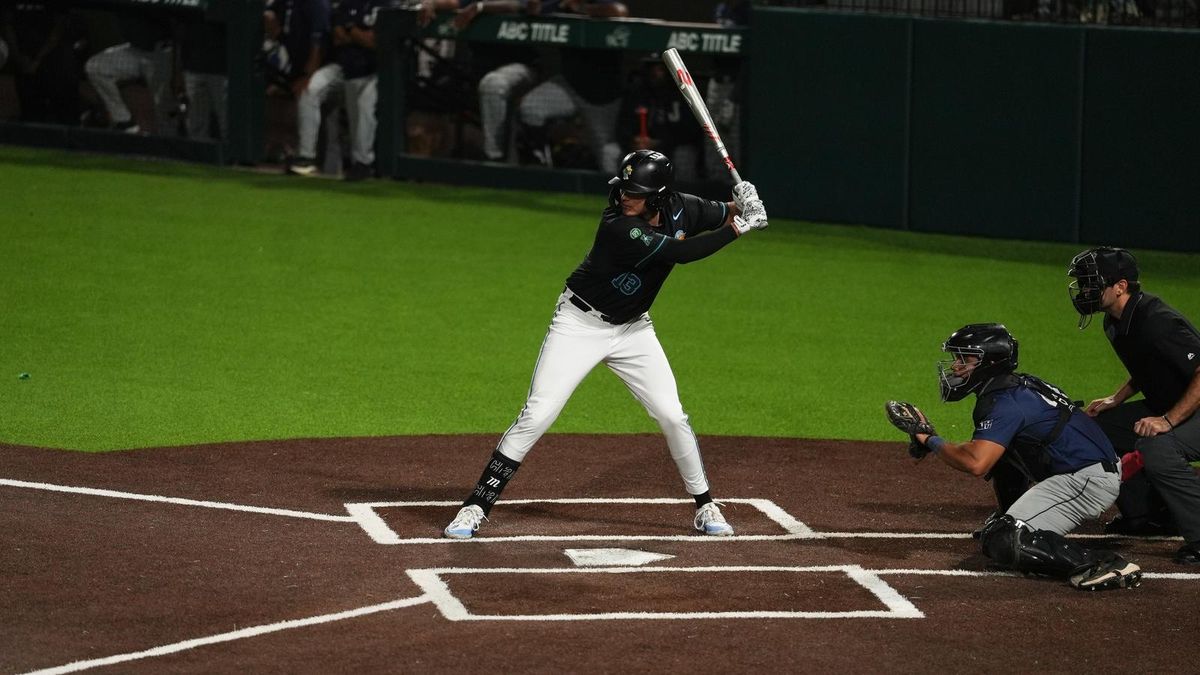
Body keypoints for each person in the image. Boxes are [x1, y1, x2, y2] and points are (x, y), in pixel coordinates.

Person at [443, 149, 768, 539]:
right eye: (624, 189)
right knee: (538, 414)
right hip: (579, 324)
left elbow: (723, 211)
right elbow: (681, 253)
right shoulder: (619, 225)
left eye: (635, 192)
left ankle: (705, 505)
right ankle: (475, 506)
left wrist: (742, 202)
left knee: (672, 415)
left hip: (634, 330)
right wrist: (740, 227)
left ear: (659, 197)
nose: (624, 196)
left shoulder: (685, 208)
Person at [886, 323, 1141, 591]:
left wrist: (930, 439)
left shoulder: (1006, 402)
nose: (956, 367)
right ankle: (1012, 519)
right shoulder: (1017, 386)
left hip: (1086, 480)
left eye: (965, 359)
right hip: (1084, 467)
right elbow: (993, 452)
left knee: (1003, 539)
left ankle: (1099, 564)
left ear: (990, 363)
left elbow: (975, 462)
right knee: (1002, 454)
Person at [1067, 246, 1200, 565]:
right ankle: (1148, 516)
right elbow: (1149, 365)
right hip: (1174, 406)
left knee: (1157, 447)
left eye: (1092, 283)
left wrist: (1167, 420)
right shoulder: (1114, 322)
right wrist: (1117, 398)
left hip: (1191, 408)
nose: (1085, 291)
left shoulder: (1157, 321)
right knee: (1094, 430)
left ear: (1120, 286)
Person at [515, 0, 629, 172]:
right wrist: (536, 7)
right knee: (531, 107)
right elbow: (535, 9)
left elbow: (619, 11)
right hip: (569, 85)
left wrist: (580, 8)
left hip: (602, 96)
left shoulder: (596, 3)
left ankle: (621, 188)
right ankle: (540, 167)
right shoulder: (562, 4)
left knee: (608, 155)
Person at [287, 0, 384, 180]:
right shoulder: (349, 3)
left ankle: (363, 163)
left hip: (375, 70)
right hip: (343, 66)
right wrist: (358, 35)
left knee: (363, 104)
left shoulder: (387, 2)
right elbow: (337, 36)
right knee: (310, 90)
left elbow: (378, 42)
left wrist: (351, 31)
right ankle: (305, 157)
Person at [83, 8, 175, 134]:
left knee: (162, 104)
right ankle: (123, 121)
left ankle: (171, 137)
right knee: (96, 66)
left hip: (162, 51)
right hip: (135, 50)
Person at [616, 54, 703, 182]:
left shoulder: (681, 93)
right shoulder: (636, 92)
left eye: (660, 69)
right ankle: (621, 189)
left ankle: (683, 192)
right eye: (651, 68)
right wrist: (633, 140)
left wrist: (659, 142)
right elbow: (622, 126)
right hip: (639, 145)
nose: (655, 73)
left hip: (671, 146)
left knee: (684, 154)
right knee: (612, 151)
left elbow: (691, 132)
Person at [0, 0, 80, 126]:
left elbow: (58, 28)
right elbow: (7, 25)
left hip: (53, 55)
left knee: (63, 101)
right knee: (30, 109)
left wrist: (37, 60)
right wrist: (18, 56)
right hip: (23, 55)